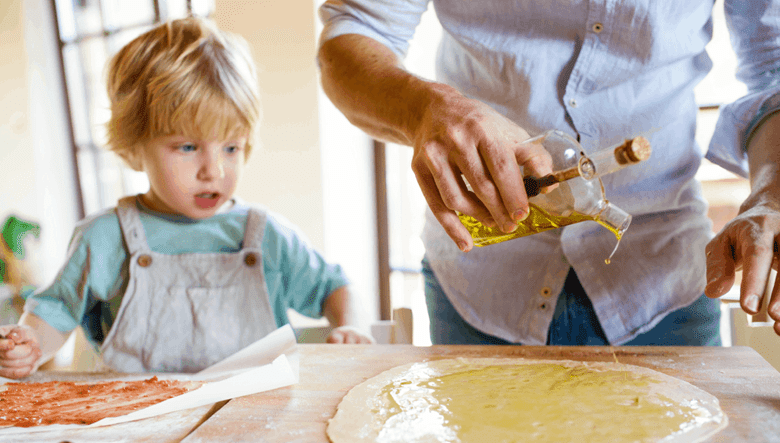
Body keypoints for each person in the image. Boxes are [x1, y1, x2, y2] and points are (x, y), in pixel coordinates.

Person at [316, 0, 780, 346]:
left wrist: (770, 196)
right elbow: (353, 34)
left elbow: (773, 68)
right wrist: (425, 110)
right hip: (481, 284)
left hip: (665, 280)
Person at [0, 17, 373, 379]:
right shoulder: (103, 237)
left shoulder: (267, 236)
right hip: (140, 424)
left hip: (255, 424)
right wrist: (31, 344)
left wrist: (351, 326)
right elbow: (55, 311)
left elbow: (337, 288)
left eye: (230, 147)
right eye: (188, 147)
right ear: (133, 147)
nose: (213, 170)